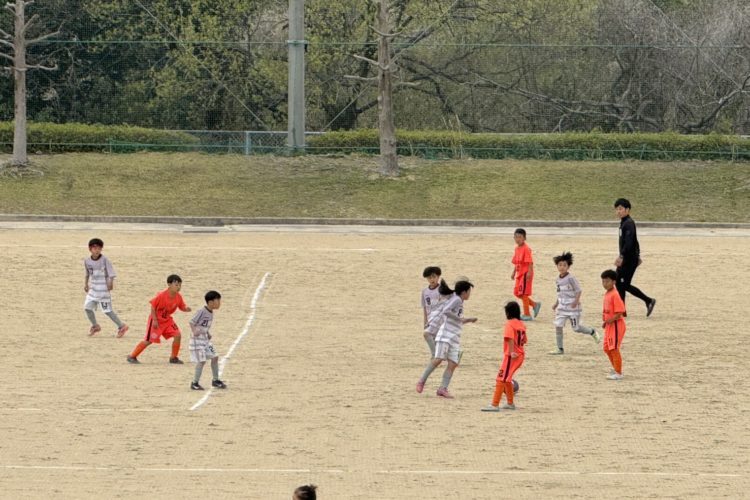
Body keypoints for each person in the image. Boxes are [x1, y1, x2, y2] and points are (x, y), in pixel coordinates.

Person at [415, 279, 477, 398]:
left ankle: (442, 389)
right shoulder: (457, 299)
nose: (470, 294)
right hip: (445, 336)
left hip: (454, 337)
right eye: (469, 291)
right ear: (464, 292)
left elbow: (457, 319)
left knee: (453, 363)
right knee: (438, 359)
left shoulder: (459, 301)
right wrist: (461, 319)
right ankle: (421, 381)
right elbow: (446, 311)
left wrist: (468, 320)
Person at [126, 274, 191, 364]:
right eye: (176, 285)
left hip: (167, 320)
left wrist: (186, 309)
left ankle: (173, 358)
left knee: (178, 335)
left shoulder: (178, 296)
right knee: (149, 341)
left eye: (180, 285)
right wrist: (155, 320)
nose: (178, 287)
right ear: (169, 284)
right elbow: (153, 307)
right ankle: (132, 356)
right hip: (156, 320)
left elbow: (181, 306)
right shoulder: (161, 295)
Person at [549, 251, 601, 355]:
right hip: (562, 308)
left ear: (568, 266)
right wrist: (556, 304)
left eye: (564, 265)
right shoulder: (557, 280)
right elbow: (560, 294)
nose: (562, 267)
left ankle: (592, 331)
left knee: (576, 328)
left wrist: (576, 301)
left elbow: (578, 290)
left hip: (572, 308)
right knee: (558, 326)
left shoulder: (571, 278)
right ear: (557, 266)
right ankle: (560, 348)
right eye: (560, 265)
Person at [614, 198, 656, 317]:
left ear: (627, 210)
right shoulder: (624, 222)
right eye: (617, 209)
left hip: (628, 259)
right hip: (629, 258)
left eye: (620, 209)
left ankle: (648, 300)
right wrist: (637, 255)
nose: (618, 211)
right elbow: (634, 241)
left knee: (623, 284)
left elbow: (630, 242)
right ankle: (622, 311)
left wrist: (622, 256)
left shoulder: (628, 223)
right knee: (619, 282)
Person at [482, 301, 527, 411]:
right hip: (520, 355)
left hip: (512, 356)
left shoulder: (509, 324)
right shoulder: (521, 325)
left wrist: (511, 352)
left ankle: (495, 404)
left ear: (507, 313)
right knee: (507, 379)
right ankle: (510, 403)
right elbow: (524, 340)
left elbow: (510, 338)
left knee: (501, 378)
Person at [83, 238, 129, 337]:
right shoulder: (87, 261)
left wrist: (110, 283)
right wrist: (86, 284)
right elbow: (87, 274)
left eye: (99, 248)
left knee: (107, 310)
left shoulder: (104, 260)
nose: (97, 250)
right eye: (95, 248)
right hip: (93, 290)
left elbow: (111, 273)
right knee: (87, 308)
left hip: (103, 290)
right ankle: (95, 326)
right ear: (90, 249)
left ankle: (122, 326)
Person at [189, 290, 227, 390]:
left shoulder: (211, 312)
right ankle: (194, 383)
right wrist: (194, 331)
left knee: (215, 357)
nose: (219, 303)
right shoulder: (201, 311)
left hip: (205, 339)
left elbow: (203, 325)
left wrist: (208, 333)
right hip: (197, 340)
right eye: (218, 300)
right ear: (210, 302)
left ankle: (215, 380)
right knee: (202, 361)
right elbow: (192, 322)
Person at [601, 269, 626, 380]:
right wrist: (605, 322)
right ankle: (615, 368)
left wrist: (611, 320)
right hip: (609, 325)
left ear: (614, 282)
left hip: (616, 325)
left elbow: (620, 312)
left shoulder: (615, 294)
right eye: (603, 281)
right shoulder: (607, 294)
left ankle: (618, 372)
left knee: (614, 348)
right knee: (606, 348)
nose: (605, 284)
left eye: (607, 281)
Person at [511, 228, 541, 321]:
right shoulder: (516, 249)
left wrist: (529, 272)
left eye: (520, 237)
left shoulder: (526, 249)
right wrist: (513, 272)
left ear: (524, 238)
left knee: (523, 294)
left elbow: (530, 262)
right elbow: (517, 262)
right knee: (517, 293)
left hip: (525, 274)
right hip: (519, 274)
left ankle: (527, 314)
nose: (518, 239)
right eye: (516, 237)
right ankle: (534, 304)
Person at [421, 266, 444, 356]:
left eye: (434, 277)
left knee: (427, 334)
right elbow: (425, 307)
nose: (432, 279)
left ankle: (435, 356)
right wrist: (425, 321)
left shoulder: (442, 289)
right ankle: (454, 354)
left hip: (440, 319)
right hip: (431, 320)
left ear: (438, 277)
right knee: (436, 340)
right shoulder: (425, 291)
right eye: (429, 278)